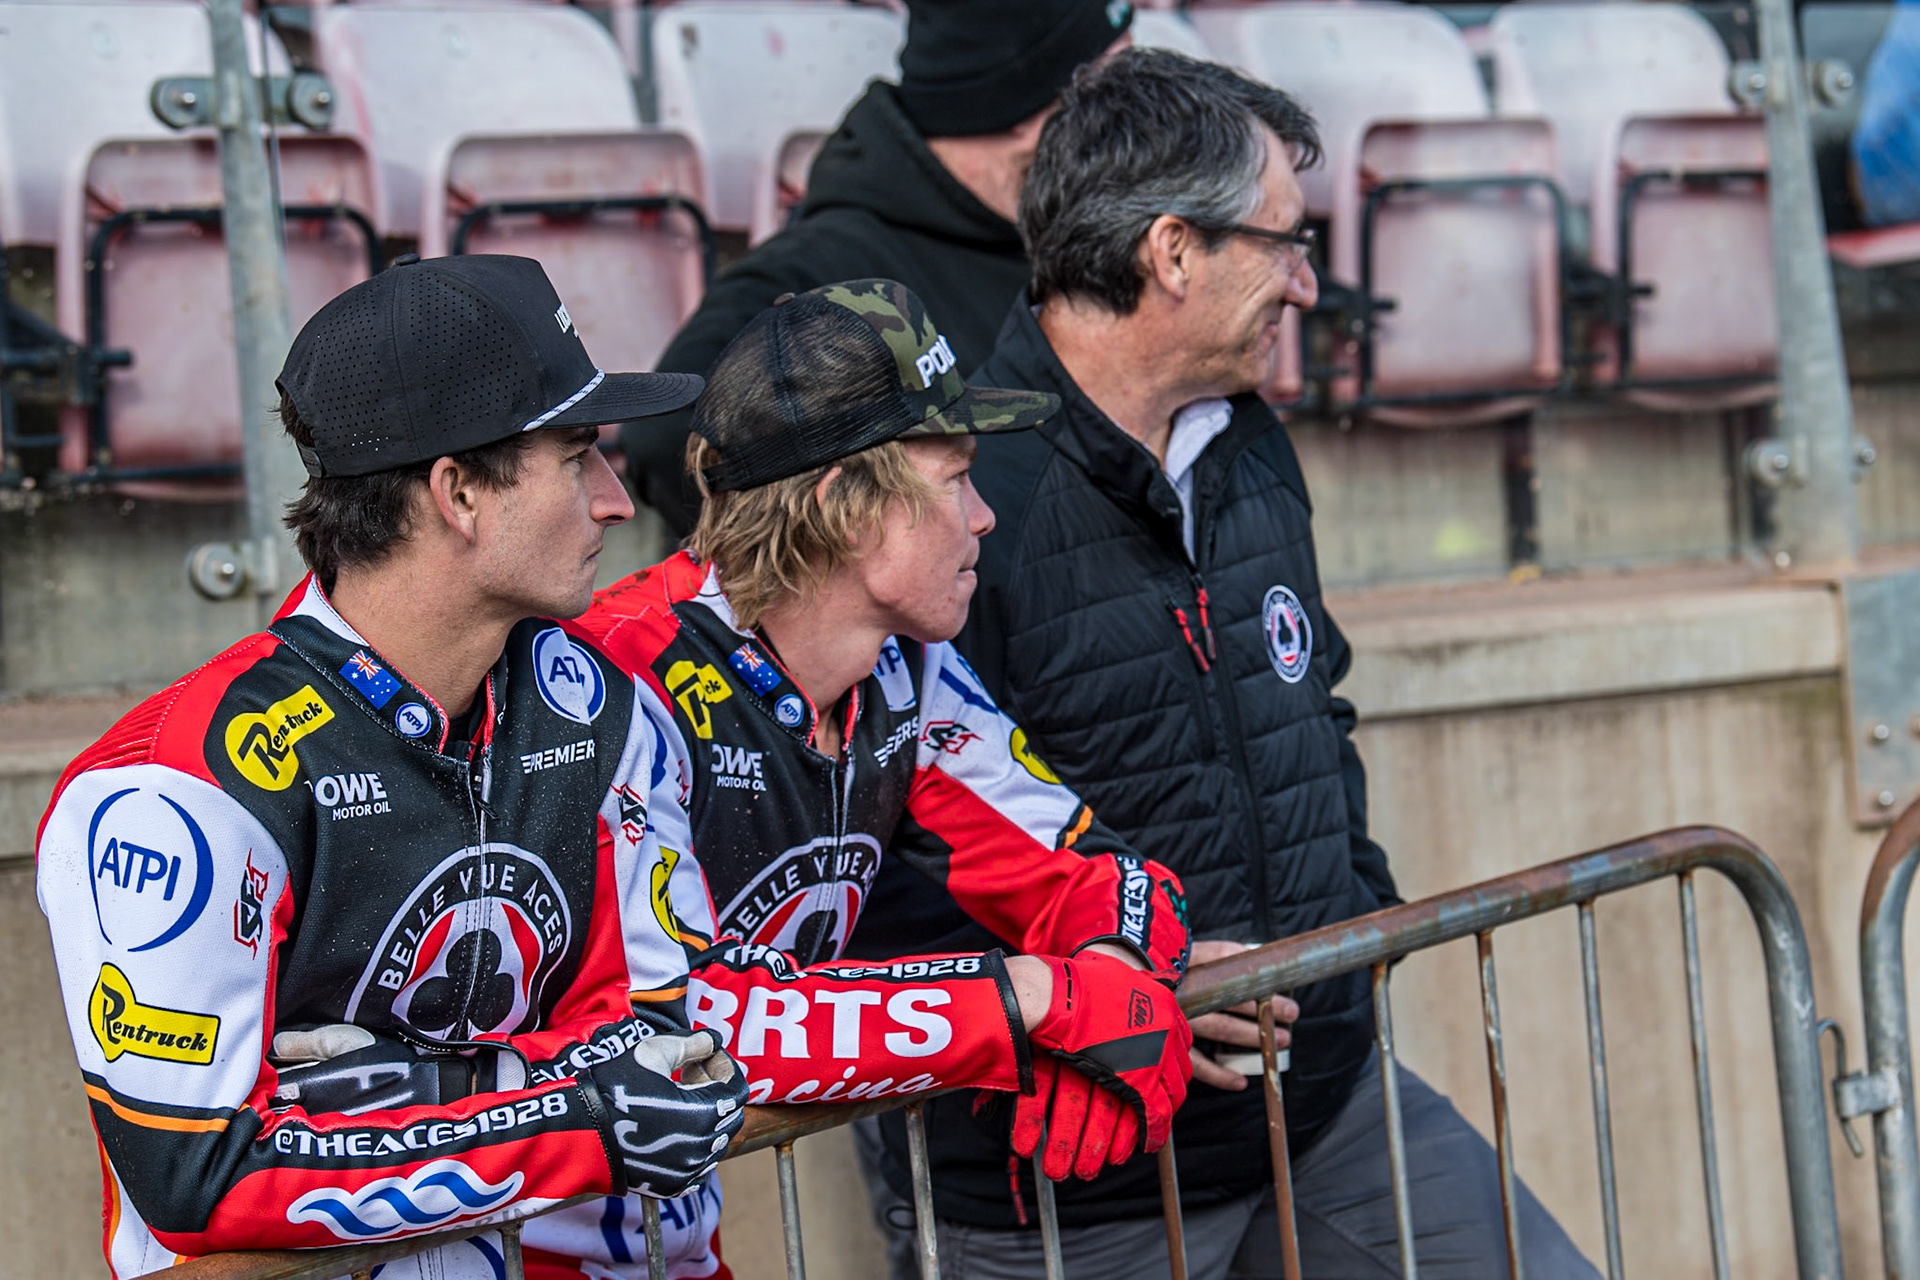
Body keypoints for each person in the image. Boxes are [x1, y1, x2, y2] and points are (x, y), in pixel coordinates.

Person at [857, 50, 1603, 1278]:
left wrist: (1347, 911)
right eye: (1285, 242)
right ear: (1172, 251)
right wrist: (1110, 991)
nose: (1310, 285)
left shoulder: (1249, 447)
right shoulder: (962, 497)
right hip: (1068, 1191)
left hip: (1321, 1111)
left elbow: (1317, 701)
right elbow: (870, 865)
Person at [35, 254, 748, 1280]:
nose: (612, 499)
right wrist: (569, 1121)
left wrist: (415, 1087)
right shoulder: (175, 787)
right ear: (458, 492)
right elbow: (198, 1176)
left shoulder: (590, 702)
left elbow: (666, 1044)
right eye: (577, 454)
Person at [575, 280, 1195, 1203]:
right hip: (507, 1240)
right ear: (848, 507)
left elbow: (1102, 877)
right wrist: (1024, 1000)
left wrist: (1109, 976)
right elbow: (682, 1021)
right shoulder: (617, 682)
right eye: (955, 480)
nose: (983, 517)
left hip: (662, 1229)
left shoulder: (909, 668)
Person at [622, 0, 1134, 534]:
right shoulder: (826, 266)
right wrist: (863, 566)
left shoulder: (1076, 229)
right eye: (1116, 80)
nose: (1138, 114)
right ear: (1030, 101)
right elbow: (669, 440)